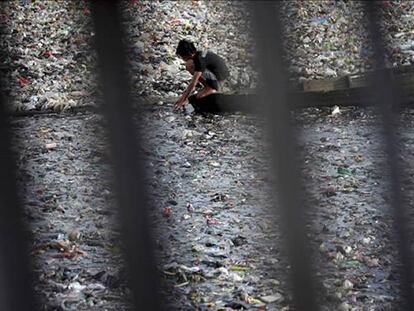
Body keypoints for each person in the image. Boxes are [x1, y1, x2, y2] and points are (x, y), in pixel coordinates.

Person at [174, 39, 229, 111]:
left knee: (200, 96)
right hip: (216, 74)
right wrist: (183, 97)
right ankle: (208, 86)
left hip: (220, 79)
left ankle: (212, 88)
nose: (183, 59)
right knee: (189, 65)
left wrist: (183, 99)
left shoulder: (199, 60)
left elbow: (193, 83)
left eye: (183, 57)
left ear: (188, 54)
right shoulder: (197, 55)